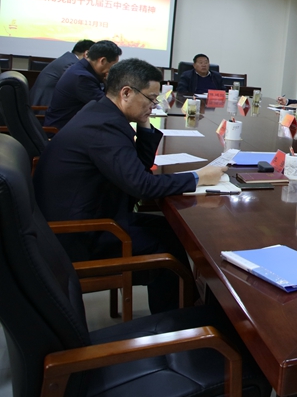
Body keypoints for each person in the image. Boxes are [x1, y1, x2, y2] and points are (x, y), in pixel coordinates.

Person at [33, 58, 227, 314]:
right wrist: (198, 177)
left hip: (91, 217)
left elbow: (138, 169)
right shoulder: (103, 128)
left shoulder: (102, 113)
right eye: (151, 98)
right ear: (126, 93)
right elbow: (142, 186)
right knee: (167, 252)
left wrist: (144, 123)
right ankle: (178, 320)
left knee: (172, 230)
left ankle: (187, 305)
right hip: (80, 236)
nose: (154, 105)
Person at [44, 40, 121, 130]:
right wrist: (110, 82)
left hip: (71, 125)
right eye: (113, 66)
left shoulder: (81, 69)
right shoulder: (82, 77)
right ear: (102, 61)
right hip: (62, 129)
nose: (113, 70)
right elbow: (105, 105)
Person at [29, 39, 95, 108]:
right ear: (86, 54)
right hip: (43, 105)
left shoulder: (69, 58)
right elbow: (82, 86)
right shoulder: (71, 64)